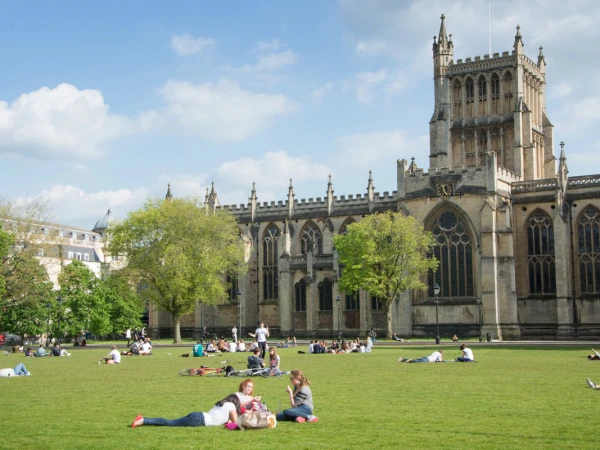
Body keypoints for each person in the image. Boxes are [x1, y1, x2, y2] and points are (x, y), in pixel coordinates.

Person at [131, 394, 241, 428]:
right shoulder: (231, 406)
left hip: (198, 416)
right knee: (171, 423)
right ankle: (143, 420)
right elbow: (235, 422)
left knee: (171, 422)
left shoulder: (222, 404)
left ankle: (144, 419)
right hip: (199, 420)